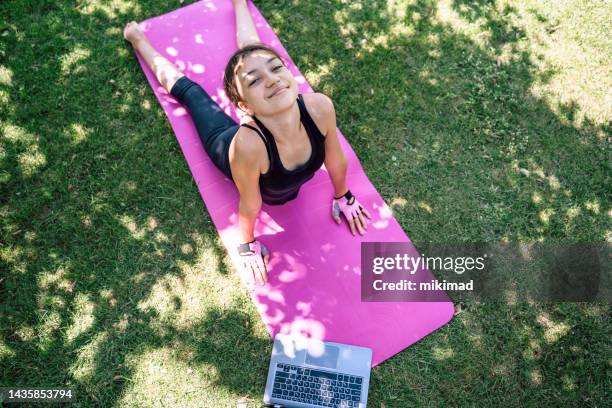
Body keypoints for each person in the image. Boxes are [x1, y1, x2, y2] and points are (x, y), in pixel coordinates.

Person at [123, 0, 371, 286]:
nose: (272, 80)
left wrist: (344, 195)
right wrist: (248, 245)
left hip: (258, 127)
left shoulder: (319, 107)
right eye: (254, 82)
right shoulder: (249, 147)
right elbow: (250, 204)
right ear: (243, 105)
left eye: (277, 68)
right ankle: (139, 40)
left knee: (251, 55)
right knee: (191, 95)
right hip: (227, 142)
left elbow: (336, 159)